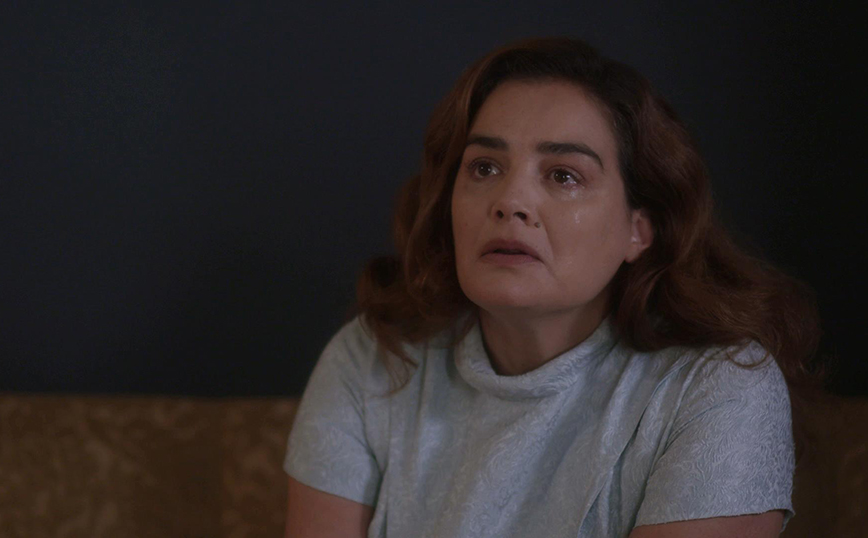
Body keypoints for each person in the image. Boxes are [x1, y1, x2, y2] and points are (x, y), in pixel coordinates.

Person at [282, 37, 830, 538]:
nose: (510, 201)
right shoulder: (373, 358)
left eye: (563, 175)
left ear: (639, 228)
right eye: (484, 168)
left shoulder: (717, 389)